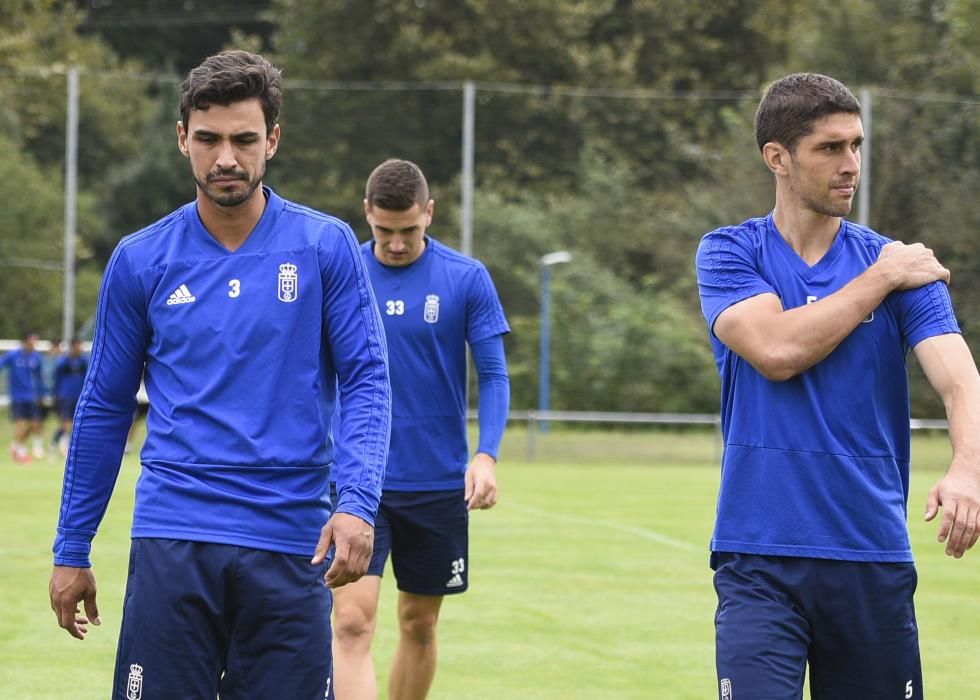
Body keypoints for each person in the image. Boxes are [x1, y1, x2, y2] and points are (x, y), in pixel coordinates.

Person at [48, 50, 391, 700]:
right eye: (208, 139)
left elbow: (368, 379)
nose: (225, 157)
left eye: (243, 139)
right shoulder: (141, 260)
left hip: (293, 540)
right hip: (173, 537)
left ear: (273, 140)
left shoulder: (324, 247)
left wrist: (356, 503)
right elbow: (103, 408)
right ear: (182, 139)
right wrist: (72, 546)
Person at [695, 72, 980, 700]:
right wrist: (879, 280)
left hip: (870, 553)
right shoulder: (728, 253)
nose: (850, 164)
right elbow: (775, 349)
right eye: (830, 148)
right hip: (758, 555)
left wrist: (968, 469)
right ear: (778, 157)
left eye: (856, 146)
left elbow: (961, 380)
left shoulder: (901, 268)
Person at [331, 159, 510, 700]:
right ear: (367, 214)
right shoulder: (342, 274)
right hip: (359, 481)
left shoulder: (466, 278)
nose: (396, 243)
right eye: (384, 231)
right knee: (352, 623)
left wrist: (487, 455)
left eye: (409, 230)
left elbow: (495, 375)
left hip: (436, 482)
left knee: (418, 623)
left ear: (428, 213)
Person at [1, 331, 46, 462]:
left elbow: (39, 377)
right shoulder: (13, 355)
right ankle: (19, 450)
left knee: (35, 424)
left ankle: (16, 445)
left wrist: (41, 394)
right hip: (17, 396)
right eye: (32, 341)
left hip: (31, 396)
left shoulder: (36, 357)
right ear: (25, 341)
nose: (34, 343)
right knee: (20, 425)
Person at [51, 338, 89, 456]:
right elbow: (56, 377)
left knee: (77, 422)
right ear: (72, 347)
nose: (80, 349)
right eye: (78, 346)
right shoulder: (64, 361)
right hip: (65, 395)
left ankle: (63, 446)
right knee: (66, 422)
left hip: (79, 396)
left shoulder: (83, 361)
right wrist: (55, 394)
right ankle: (58, 445)